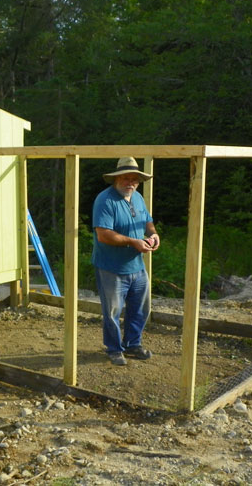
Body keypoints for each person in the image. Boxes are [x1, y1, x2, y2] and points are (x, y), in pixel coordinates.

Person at [92, 157, 160, 366]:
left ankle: (133, 344)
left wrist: (153, 235)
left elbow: (147, 221)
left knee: (141, 308)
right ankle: (114, 349)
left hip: (136, 265)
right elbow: (103, 234)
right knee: (113, 311)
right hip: (111, 266)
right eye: (126, 178)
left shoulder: (137, 198)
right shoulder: (105, 200)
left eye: (135, 180)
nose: (130, 183)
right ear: (116, 179)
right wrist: (133, 242)